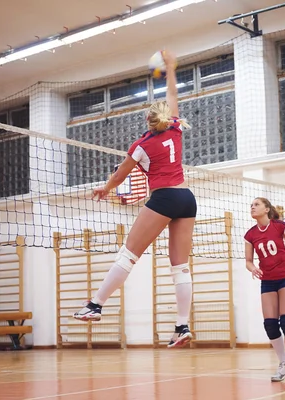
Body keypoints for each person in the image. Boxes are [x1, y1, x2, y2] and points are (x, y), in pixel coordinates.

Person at [73, 50, 197, 349]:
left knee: (128, 255)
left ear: (147, 120)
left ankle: (96, 304)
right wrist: (170, 70)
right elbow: (172, 95)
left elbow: (119, 177)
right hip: (187, 199)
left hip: (164, 198)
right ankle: (182, 326)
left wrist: (105, 189)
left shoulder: (141, 145)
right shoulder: (176, 128)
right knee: (180, 267)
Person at [244, 197, 285, 382]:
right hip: (268, 281)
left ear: (266, 209)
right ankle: (283, 364)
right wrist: (253, 268)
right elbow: (248, 261)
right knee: (270, 325)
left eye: (256, 204)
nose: (252, 208)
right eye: (251, 205)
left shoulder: (280, 226)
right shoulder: (250, 234)